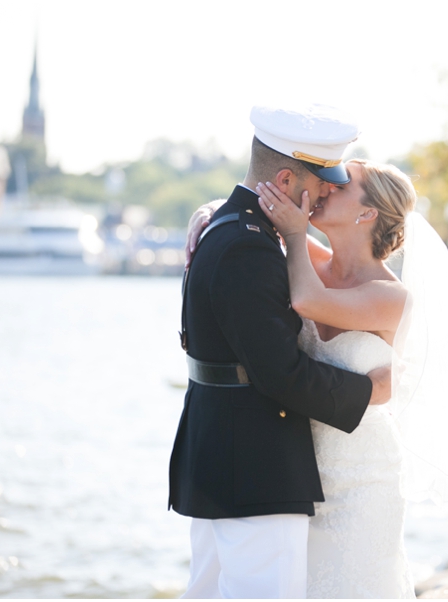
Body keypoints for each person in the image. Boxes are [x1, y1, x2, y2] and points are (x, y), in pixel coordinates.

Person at [187, 157, 448, 598]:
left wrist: (295, 232)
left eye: (341, 185)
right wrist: (210, 211)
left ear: (367, 213)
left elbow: (306, 299)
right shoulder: (310, 258)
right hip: (297, 468)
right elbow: (254, 229)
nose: (324, 188)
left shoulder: (391, 297)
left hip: (364, 473)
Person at [168, 103, 394, 599]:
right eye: (323, 183)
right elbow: (279, 374)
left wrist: (213, 208)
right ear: (288, 179)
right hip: (253, 466)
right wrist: (368, 390)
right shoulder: (250, 243)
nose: (327, 192)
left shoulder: (238, 229)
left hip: (223, 457)